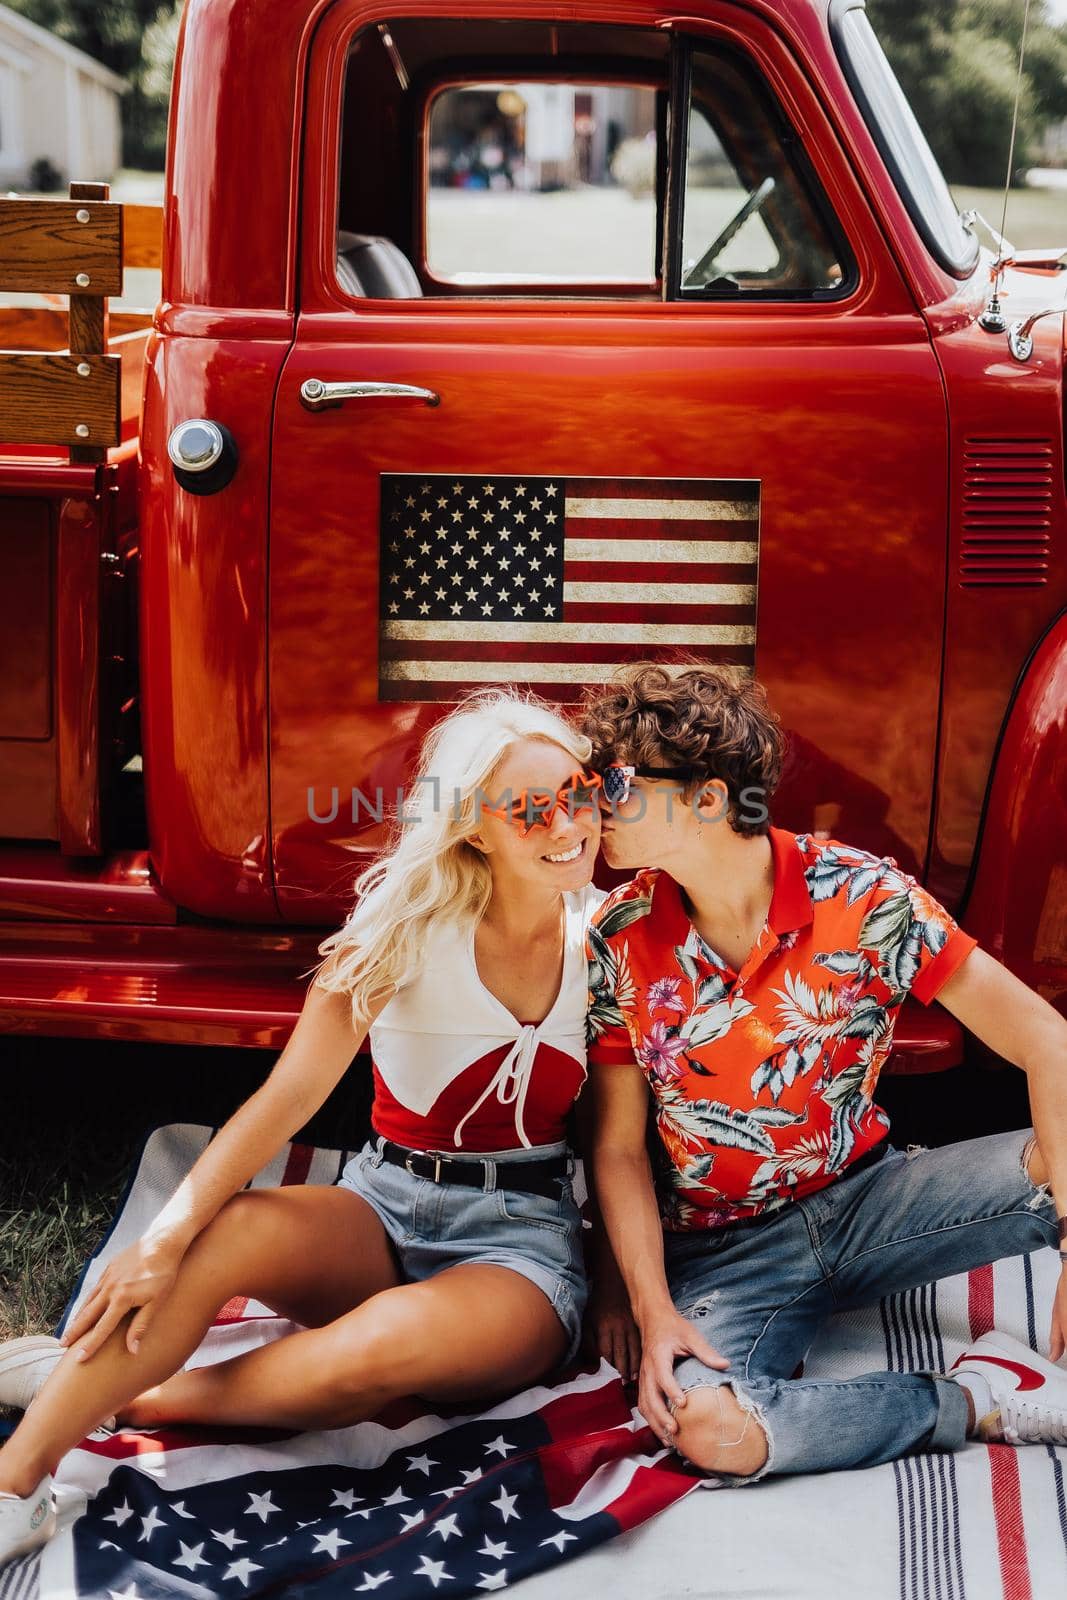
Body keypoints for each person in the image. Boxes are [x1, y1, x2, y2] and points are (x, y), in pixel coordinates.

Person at [0, 690, 633, 1565]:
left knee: (367, 1355)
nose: (569, 823)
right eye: (530, 807)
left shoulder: (614, 945)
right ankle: (15, 1481)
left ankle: (129, 1397)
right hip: (384, 1202)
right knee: (230, 1231)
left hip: (520, 1249)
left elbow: (615, 1143)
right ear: (471, 830)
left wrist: (609, 1288)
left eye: (581, 790)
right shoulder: (401, 932)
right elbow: (286, 1099)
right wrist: (164, 1238)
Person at [580, 661, 1067, 1485]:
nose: (599, 802)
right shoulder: (617, 935)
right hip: (723, 1250)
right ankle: (976, 1397)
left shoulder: (865, 897)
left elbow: (1044, 1040)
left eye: (620, 782)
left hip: (875, 1202)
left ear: (706, 799)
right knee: (706, 1427)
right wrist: (650, 1306)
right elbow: (619, 1149)